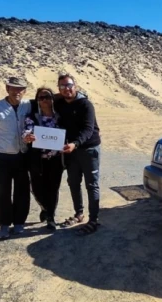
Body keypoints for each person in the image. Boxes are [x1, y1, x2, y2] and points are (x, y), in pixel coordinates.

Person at [0, 77, 33, 240]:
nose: (16, 92)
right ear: (7, 88)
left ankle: (19, 223)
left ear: (24, 91)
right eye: (13, 88)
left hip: (22, 156)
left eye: (20, 89)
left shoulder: (28, 105)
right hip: (3, 157)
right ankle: (4, 224)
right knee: (3, 191)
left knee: (22, 191)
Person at [53, 73, 102, 235]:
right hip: (71, 150)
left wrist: (75, 143)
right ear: (59, 89)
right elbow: (42, 99)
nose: (67, 89)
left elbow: (88, 129)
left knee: (91, 184)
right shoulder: (59, 102)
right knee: (73, 182)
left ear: (76, 86)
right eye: (62, 86)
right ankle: (79, 214)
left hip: (88, 149)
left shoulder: (86, 105)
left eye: (69, 85)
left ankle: (94, 220)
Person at [22, 87, 64, 230]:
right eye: (41, 97)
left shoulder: (60, 117)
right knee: (37, 188)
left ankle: (51, 217)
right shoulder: (32, 117)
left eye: (47, 96)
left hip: (56, 160)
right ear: (37, 100)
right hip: (37, 160)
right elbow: (27, 130)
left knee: (53, 188)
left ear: (52, 99)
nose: (44, 100)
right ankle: (45, 208)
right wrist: (27, 136)